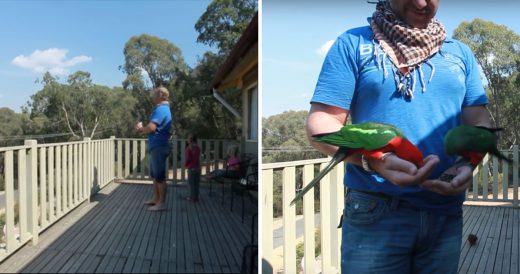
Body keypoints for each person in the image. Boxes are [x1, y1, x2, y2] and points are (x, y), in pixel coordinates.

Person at [306, 0, 492, 273]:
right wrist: (374, 161)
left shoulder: (460, 54)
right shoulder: (353, 43)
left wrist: (467, 163)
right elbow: (321, 125)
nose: (421, 2)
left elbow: (479, 122)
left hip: (445, 213)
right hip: (375, 210)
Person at [136, 86, 172, 212]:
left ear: (161, 95)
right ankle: (156, 199)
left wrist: (141, 129)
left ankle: (161, 203)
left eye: (154, 94)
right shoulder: (161, 109)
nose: (152, 96)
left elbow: (151, 128)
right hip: (156, 146)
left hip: (159, 146)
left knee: (160, 176)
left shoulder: (161, 109)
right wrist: (143, 130)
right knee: (155, 175)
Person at [185, 134, 201, 202]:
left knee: (191, 184)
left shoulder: (189, 148)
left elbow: (188, 158)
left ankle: (192, 198)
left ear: (190, 140)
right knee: (196, 184)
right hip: (197, 167)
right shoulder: (197, 147)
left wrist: (186, 164)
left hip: (191, 168)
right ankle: (196, 197)